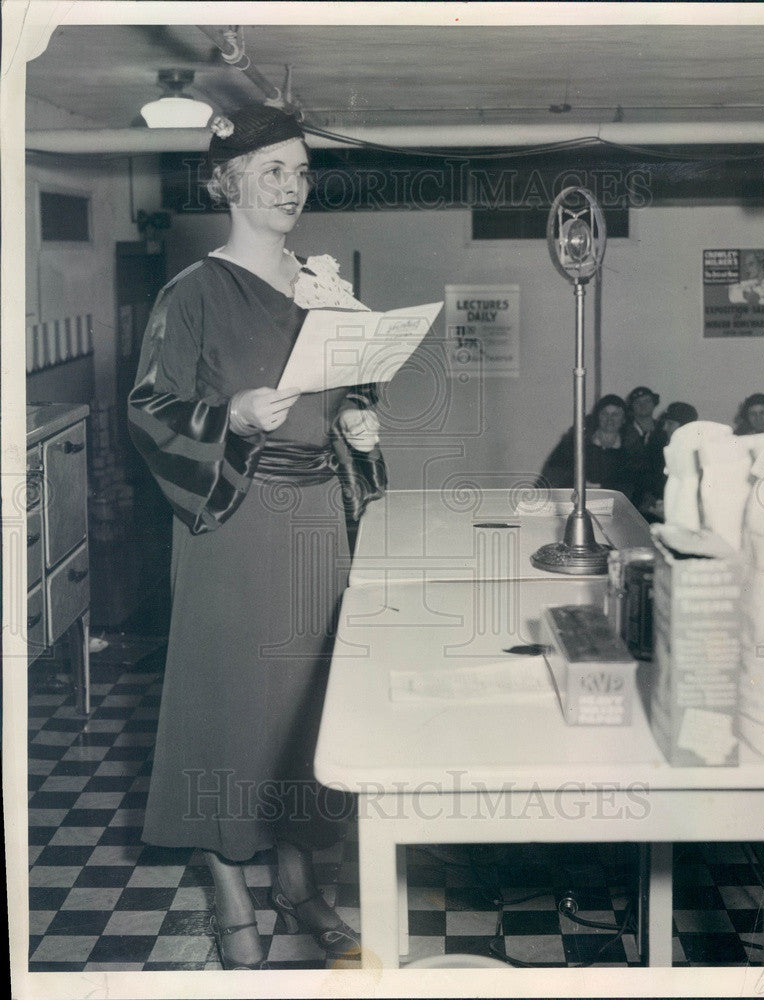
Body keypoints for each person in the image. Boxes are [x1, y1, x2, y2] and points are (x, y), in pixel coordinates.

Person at [128, 105, 386, 969]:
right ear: (225, 181)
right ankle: (232, 892)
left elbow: (342, 392)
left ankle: (297, 881)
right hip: (232, 520)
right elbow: (149, 411)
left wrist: (356, 422)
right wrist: (230, 415)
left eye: (301, 172)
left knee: (307, 709)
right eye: (272, 170)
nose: (291, 187)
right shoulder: (192, 293)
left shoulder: (323, 285)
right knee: (229, 710)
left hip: (316, 520)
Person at [538, 394, 634, 498]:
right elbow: (554, 472)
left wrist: (603, 488)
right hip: (574, 499)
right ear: (597, 417)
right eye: (604, 414)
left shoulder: (631, 450)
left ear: (624, 419)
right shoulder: (575, 443)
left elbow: (632, 484)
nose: (609, 419)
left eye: (615, 414)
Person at [637, 401, 698, 521]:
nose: (665, 428)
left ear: (685, 428)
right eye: (665, 423)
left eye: (670, 424)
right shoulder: (658, 448)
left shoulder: (696, 457)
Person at [623, 386, 666, 507]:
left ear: (654, 403)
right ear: (631, 406)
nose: (643, 405)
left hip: (659, 495)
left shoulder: (664, 429)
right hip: (631, 495)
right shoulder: (623, 431)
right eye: (638, 402)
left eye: (647, 401)